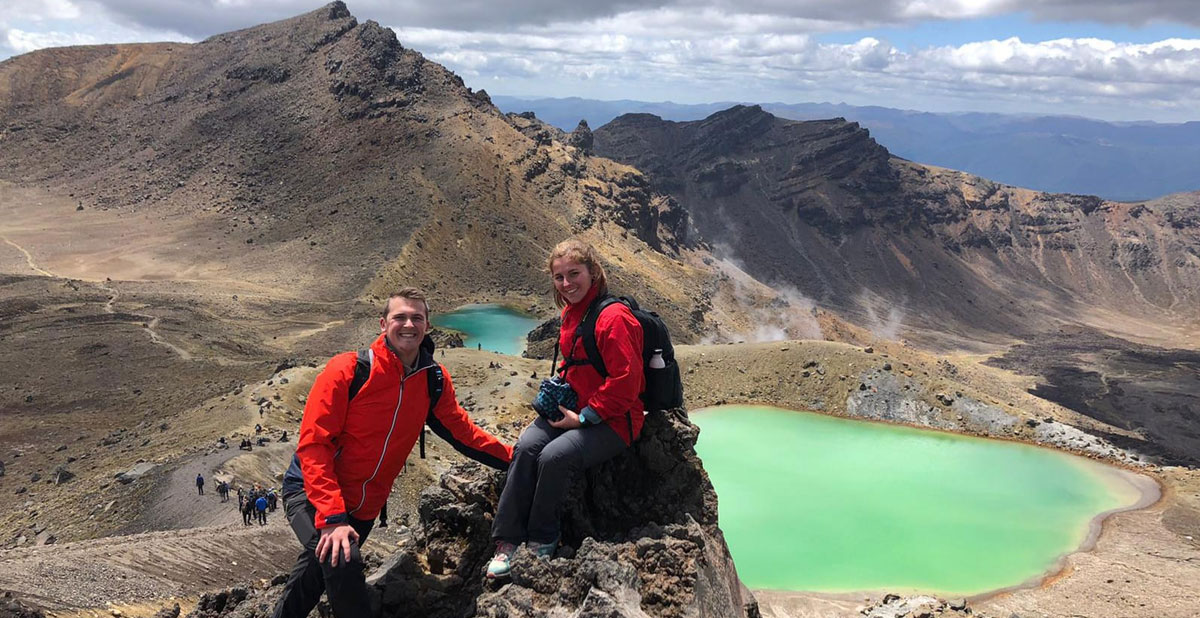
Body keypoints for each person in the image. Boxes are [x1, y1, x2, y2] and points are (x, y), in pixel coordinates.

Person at [271, 287, 513, 618]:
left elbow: (463, 434)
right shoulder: (348, 370)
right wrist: (331, 517)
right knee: (343, 561)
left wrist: (516, 458)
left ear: (428, 325)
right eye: (400, 317)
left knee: (314, 576)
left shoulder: (433, 380)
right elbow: (314, 445)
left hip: (365, 506)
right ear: (383, 323)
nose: (408, 325)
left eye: (417, 318)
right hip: (311, 492)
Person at [487, 239, 645, 579]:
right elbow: (576, 365)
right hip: (572, 408)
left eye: (574, 274)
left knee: (554, 457)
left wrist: (585, 418)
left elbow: (627, 383)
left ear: (593, 272)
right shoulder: (572, 312)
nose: (567, 283)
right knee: (527, 447)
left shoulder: (614, 318)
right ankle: (507, 541)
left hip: (615, 420)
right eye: (559, 277)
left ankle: (543, 539)